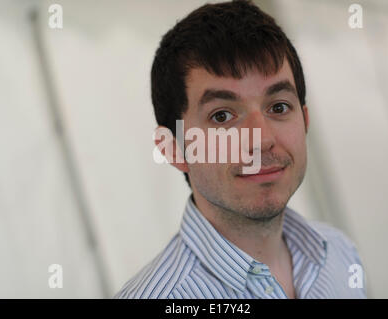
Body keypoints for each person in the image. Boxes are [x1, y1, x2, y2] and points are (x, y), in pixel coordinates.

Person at [115, 0, 366, 299]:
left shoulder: (339, 253)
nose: (261, 139)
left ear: (305, 121)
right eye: (222, 116)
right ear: (173, 149)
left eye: (279, 106)